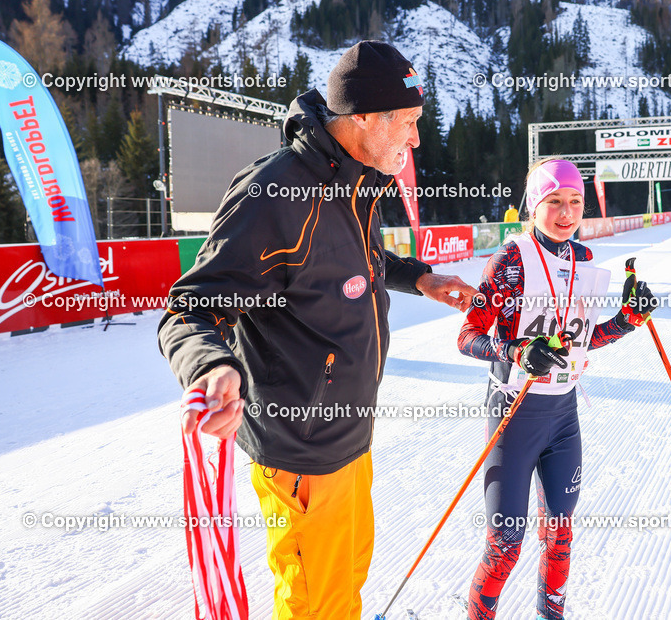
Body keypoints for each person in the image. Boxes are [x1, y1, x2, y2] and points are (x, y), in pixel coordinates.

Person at [158, 40, 477, 619]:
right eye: (407, 122)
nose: (415, 140)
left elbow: (350, 262)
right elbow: (188, 309)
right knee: (314, 604)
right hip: (300, 450)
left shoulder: (357, 178)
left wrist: (418, 277)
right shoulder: (275, 194)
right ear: (364, 118)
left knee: (347, 582)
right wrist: (211, 366)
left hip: (349, 435)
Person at [457, 158, 658, 619]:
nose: (566, 213)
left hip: (563, 415)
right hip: (514, 413)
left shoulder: (582, 259)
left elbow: (579, 341)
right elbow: (468, 335)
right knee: (506, 542)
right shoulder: (511, 260)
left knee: (560, 535)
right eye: (554, 201)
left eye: (575, 201)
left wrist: (627, 319)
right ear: (534, 205)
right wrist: (516, 352)